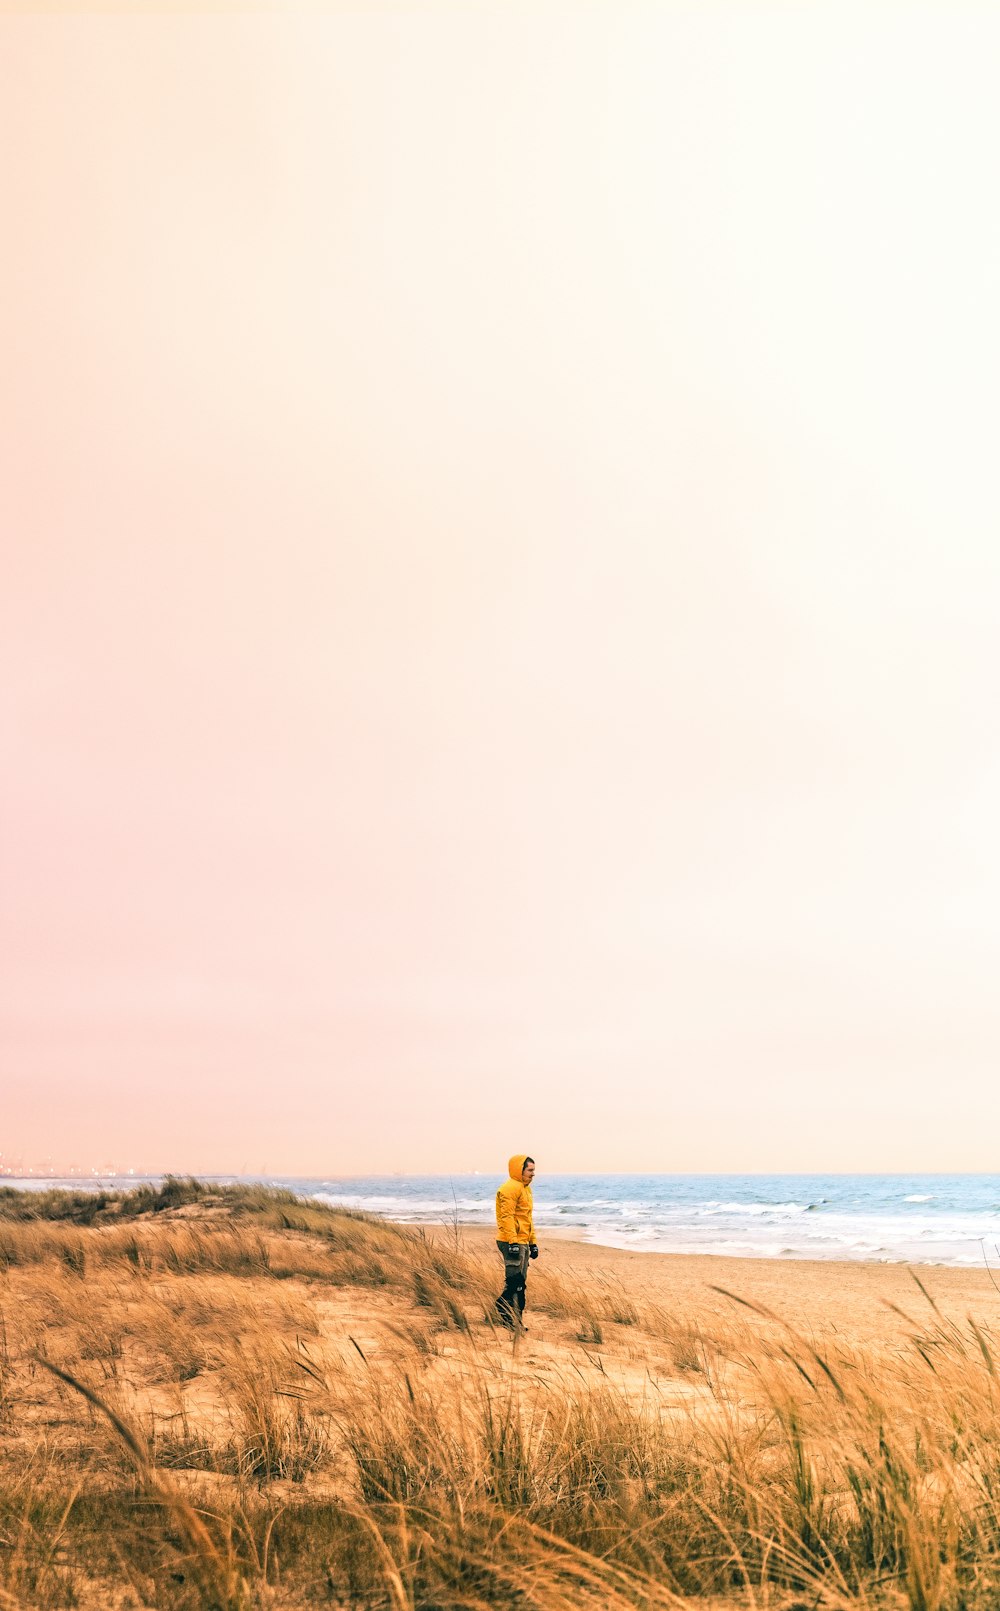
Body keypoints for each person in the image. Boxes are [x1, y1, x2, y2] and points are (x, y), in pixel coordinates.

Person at [495, 1154, 537, 1329]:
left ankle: (516, 1321)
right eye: (530, 1170)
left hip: (523, 1241)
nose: (533, 1174)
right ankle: (505, 1314)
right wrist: (512, 1242)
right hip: (511, 1241)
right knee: (515, 1283)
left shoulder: (526, 1189)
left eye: (534, 1170)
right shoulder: (509, 1188)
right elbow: (507, 1217)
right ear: (519, 1169)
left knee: (521, 1283)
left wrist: (533, 1242)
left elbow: (527, 1218)